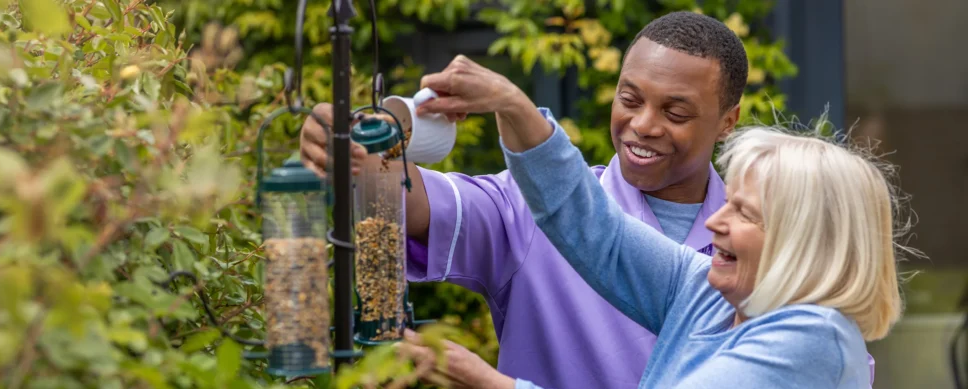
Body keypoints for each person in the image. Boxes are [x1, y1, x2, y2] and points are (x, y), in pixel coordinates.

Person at [300, 11, 870, 389]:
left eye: (675, 112)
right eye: (629, 99)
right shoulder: (701, 281)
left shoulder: (811, 337)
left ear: (728, 121)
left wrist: (489, 383)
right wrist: (358, 145)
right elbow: (580, 219)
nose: (643, 126)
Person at [399, 53, 908, 388]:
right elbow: (595, 230)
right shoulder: (705, 293)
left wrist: (490, 383)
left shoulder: (812, 337)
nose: (716, 223)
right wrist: (511, 104)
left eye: (745, 212)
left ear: (805, 241)